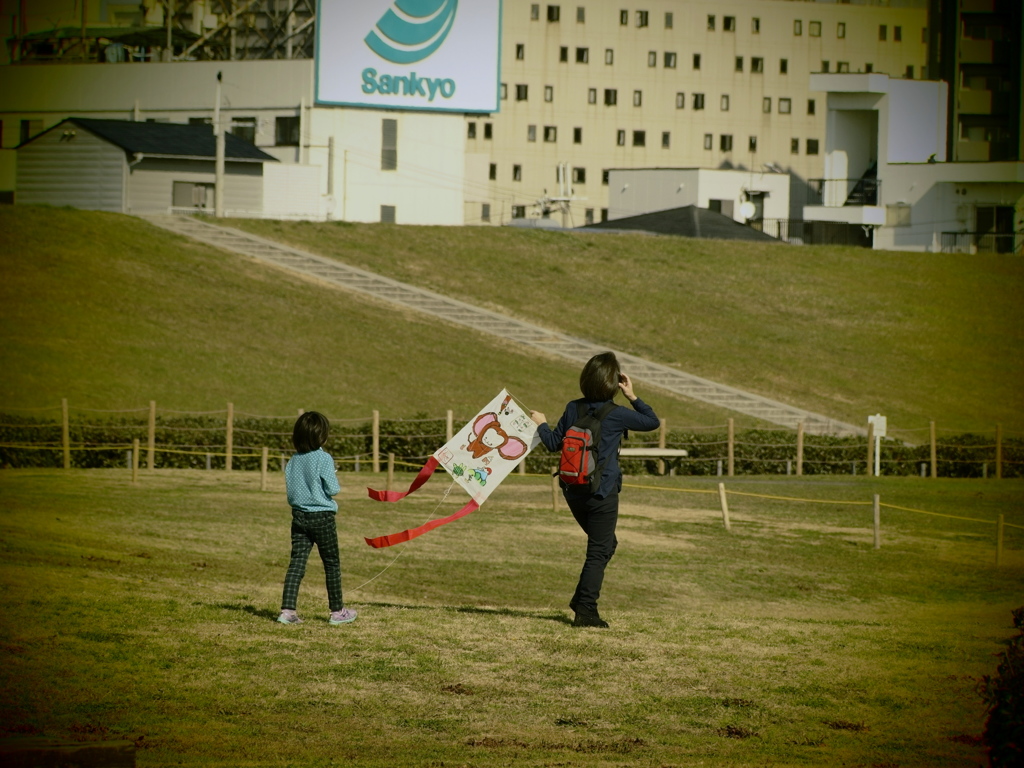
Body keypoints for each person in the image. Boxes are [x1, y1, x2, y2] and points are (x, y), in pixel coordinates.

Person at [531, 352, 660, 628]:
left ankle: (581, 600)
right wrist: (632, 396)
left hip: (572, 491)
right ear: (614, 383)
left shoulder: (572, 408)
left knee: (606, 545)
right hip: (602, 493)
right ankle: (586, 610)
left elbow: (554, 443)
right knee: (599, 551)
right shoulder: (618, 414)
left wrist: (541, 423)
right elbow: (652, 422)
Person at [277, 411, 357, 626]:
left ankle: (287, 611)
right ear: (322, 436)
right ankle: (337, 611)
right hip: (322, 517)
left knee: (296, 564)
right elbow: (333, 488)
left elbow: (292, 492)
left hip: (299, 517)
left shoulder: (293, 460)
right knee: (331, 564)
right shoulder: (324, 458)